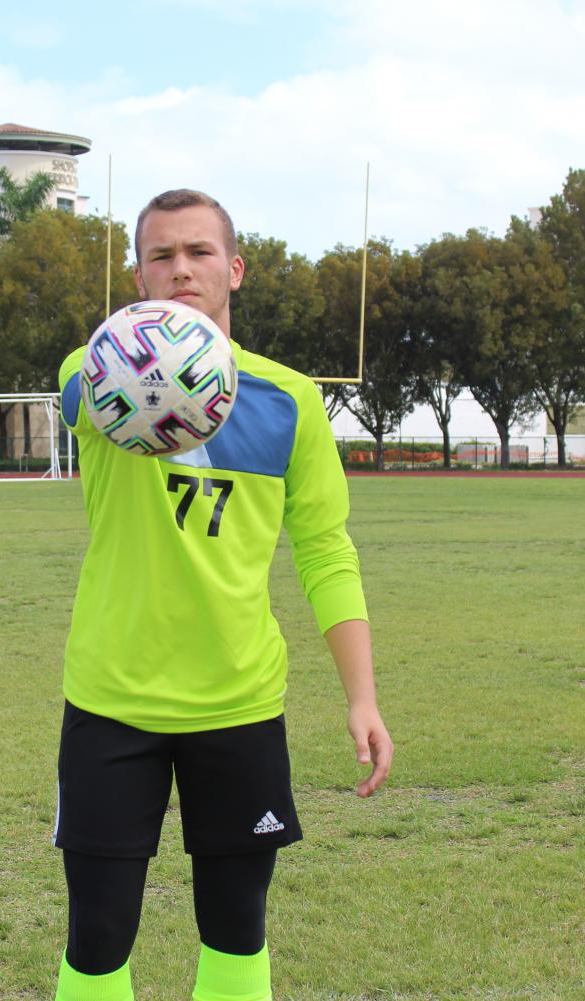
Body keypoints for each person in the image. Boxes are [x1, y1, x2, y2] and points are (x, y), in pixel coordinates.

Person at [53, 188, 393, 1001]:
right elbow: (81, 394)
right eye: (161, 255)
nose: (181, 269)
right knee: (97, 936)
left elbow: (322, 549)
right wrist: (155, 371)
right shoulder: (95, 376)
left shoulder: (287, 401)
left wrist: (362, 696)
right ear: (137, 275)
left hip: (238, 702)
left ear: (233, 269)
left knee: (236, 929)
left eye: (199, 252)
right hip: (112, 700)